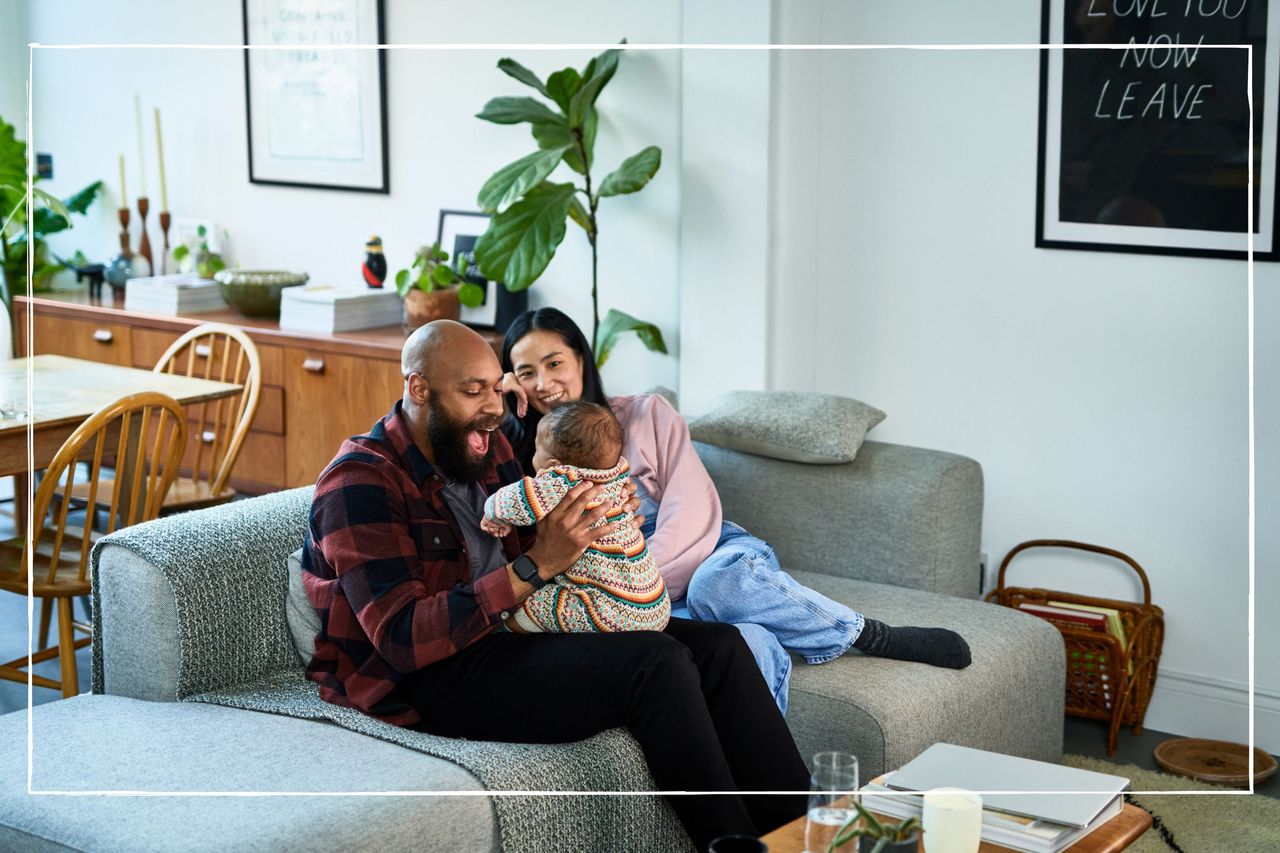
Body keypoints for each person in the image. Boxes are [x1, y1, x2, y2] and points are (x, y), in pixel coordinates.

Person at [301, 319, 807, 851]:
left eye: (496, 388)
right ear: (418, 389)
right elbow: (402, 639)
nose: (494, 408)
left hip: (510, 633)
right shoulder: (360, 481)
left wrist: (600, 517)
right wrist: (535, 566)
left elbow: (546, 499)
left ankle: (810, 835)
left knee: (721, 647)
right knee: (656, 664)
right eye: (473, 392)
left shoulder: (483, 446)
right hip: (426, 675)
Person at [500, 308, 972, 715]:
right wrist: (502, 414)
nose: (544, 383)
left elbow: (693, 509)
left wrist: (635, 587)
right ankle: (764, 800)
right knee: (747, 645)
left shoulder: (646, 414)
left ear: (581, 357)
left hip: (706, 555)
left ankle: (869, 634)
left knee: (717, 585)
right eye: (524, 373)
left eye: (554, 362)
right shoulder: (527, 463)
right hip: (638, 600)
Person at [481, 399, 670, 633]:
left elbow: (517, 501)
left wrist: (493, 513)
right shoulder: (617, 475)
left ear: (554, 464)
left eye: (536, 448)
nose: (532, 455)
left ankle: (507, 630)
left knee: (542, 603)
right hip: (656, 603)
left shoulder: (564, 480)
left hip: (610, 611)